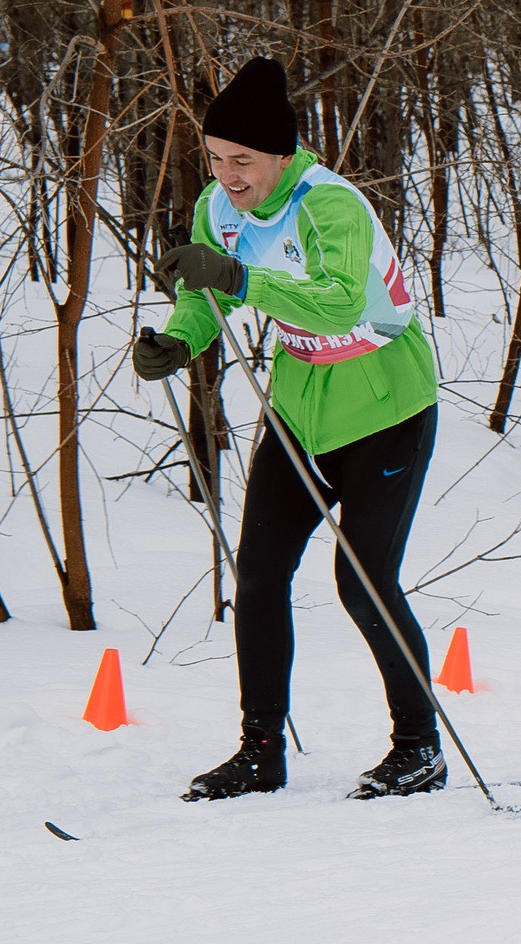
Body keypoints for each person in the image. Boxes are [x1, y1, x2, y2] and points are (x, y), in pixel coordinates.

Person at [134, 58, 447, 802]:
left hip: (385, 407)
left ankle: (419, 746)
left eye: (242, 160)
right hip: (301, 407)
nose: (227, 175)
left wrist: (238, 279)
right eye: (215, 158)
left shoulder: (330, 207)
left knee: (363, 583)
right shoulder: (221, 209)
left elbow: (338, 305)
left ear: (282, 154)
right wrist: (180, 340)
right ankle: (260, 749)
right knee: (261, 576)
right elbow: (206, 295)